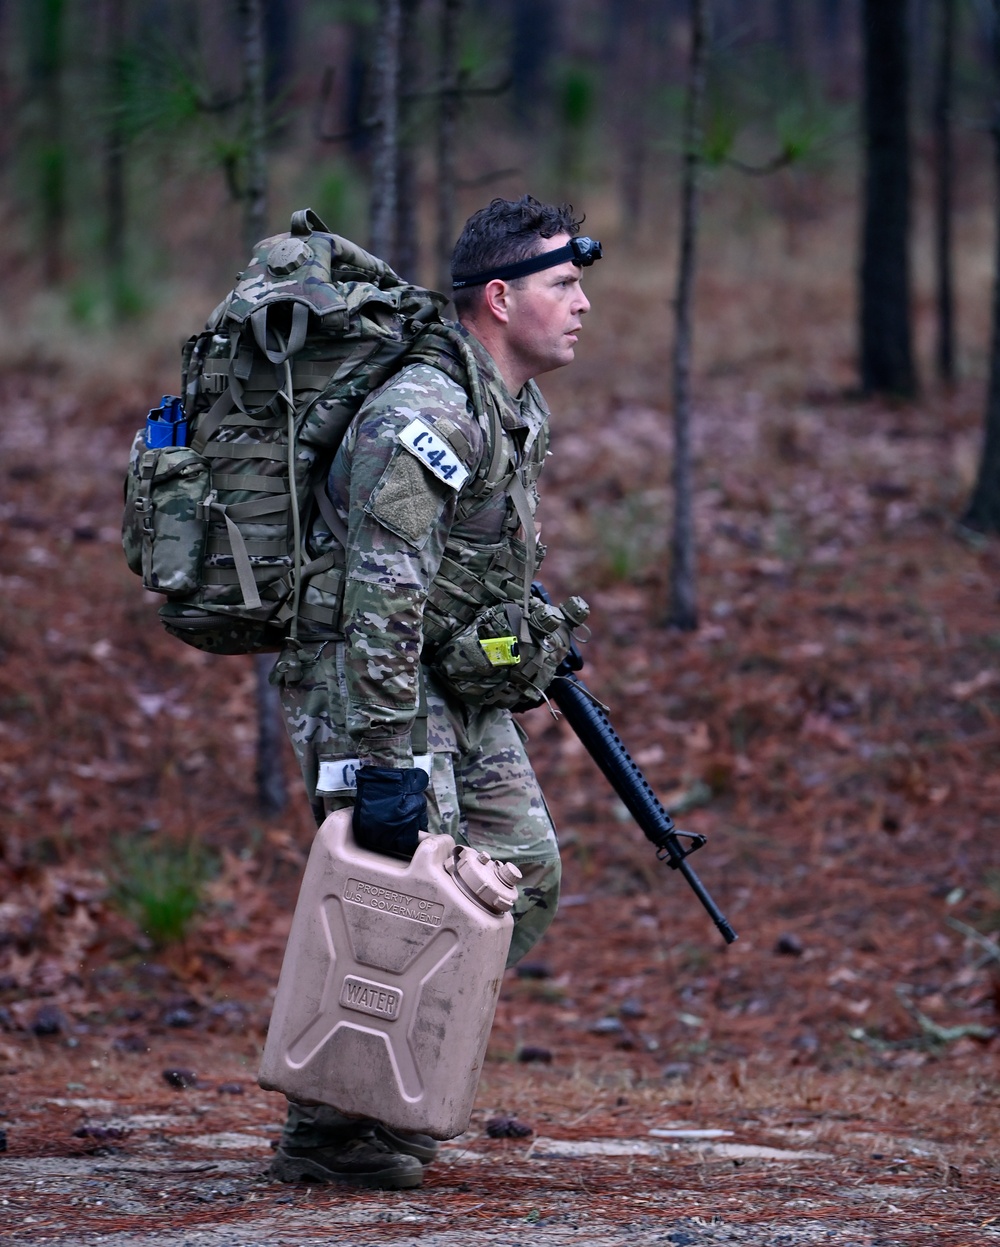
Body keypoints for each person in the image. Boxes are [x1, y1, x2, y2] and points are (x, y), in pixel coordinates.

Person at [267, 194, 599, 1190]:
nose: (583, 305)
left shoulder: (508, 405)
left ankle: (377, 1098)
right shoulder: (422, 416)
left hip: (447, 679)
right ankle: (337, 1130)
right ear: (500, 299)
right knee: (403, 895)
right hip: (374, 686)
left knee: (520, 872)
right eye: (564, 286)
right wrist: (381, 764)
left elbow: (466, 566)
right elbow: (379, 595)